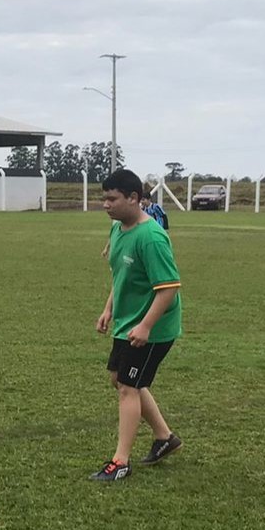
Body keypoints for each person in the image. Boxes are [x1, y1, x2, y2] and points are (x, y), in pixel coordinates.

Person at [91, 169, 183, 482]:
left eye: (112, 198)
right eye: (104, 198)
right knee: (119, 379)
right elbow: (122, 275)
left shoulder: (152, 237)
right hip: (129, 321)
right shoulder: (118, 229)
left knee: (128, 387)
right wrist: (108, 308)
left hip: (154, 326)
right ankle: (164, 437)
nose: (106, 204)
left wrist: (145, 326)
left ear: (134, 199)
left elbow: (169, 288)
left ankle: (120, 462)